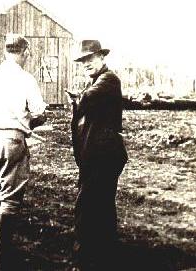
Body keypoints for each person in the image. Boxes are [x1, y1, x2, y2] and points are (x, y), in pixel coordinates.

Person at [0, 33, 46, 271]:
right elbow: (39, 114)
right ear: (24, 53)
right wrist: (26, 125)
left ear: (5, 52)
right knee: (10, 202)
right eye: (27, 54)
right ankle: (1, 263)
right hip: (10, 140)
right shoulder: (26, 79)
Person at [66, 40, 128, 270]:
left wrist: (75, 99)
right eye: (82, 61)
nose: (86, 64)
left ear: (102, 57)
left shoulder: (109, 80)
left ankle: (83, 259)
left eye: (90, 59)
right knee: (101, 205)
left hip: (102, 156)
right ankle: (105, 256)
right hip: (98, 156)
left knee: (87, 205)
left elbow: (87, 99)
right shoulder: (97, 82)